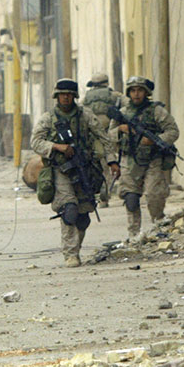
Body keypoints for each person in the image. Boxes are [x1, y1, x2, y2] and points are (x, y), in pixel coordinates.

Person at [30, 78, 119, 267]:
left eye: (69, 95)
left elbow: (103, 138)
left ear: (75, 96)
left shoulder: (85, 115)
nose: (66, 98)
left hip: (84, 168)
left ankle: (76, 247)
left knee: (83, 216)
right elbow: (35, 142)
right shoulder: (49, 118)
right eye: (62, 94)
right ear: (57, 96)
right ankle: (70, 253)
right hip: (60, 169)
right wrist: (57, 147)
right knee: (69, 209)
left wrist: (112, 160)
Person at [111, 76, 179, 241]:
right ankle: (134, 235)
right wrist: (121, 129)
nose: (136, 94)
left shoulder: (157, 111)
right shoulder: (122, 113)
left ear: (146, 92)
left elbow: (173, 131)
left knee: (154, 196)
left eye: (140, 90)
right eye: (133, 91)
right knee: (131, 198)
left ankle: (160, 227)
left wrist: (156, 140)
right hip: (129, 160)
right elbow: (108, 136)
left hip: (152, 160)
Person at [82, 73, 127, 207]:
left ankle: (104, 198)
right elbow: (129, 106)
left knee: (103, 166)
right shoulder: (115, 96)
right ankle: (127, 192)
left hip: (95, 137)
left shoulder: (87, 98)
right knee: (121, 161)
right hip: (113, 134)